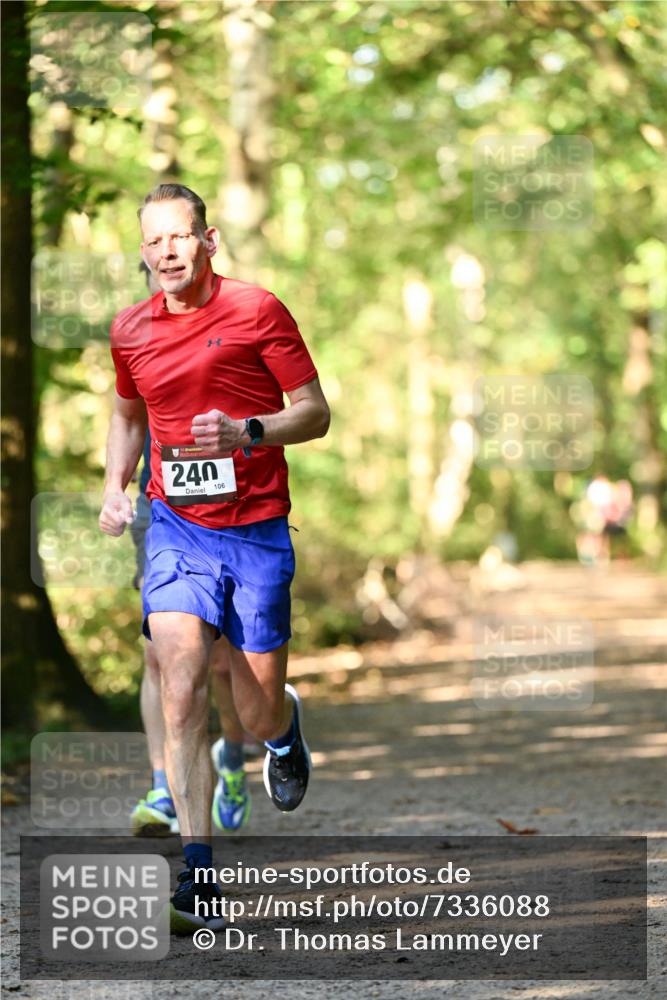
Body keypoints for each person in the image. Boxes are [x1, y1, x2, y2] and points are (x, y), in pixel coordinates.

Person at [99, 183, 330, 932]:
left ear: (209, 240)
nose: (166, 251)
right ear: (143, 252)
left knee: (256, 704)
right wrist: (114, 487)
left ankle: (282, 729)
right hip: (176, 527)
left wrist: (248, 433)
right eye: (153, 240)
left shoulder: (257, 310)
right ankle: (197, 874)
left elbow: (315, 411)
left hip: (257, 526)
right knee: (179, 677)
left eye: (179, 237)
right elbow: (128, 418)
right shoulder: (129, 329)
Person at [130, 430, 256, 837]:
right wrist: (113, 487)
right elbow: (127, 415)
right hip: (160, 504)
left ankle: (232, 759)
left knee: (219, 662)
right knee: (161, 653)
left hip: (231, 506)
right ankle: (162, 787)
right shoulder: (140, 361)